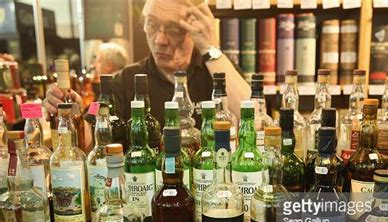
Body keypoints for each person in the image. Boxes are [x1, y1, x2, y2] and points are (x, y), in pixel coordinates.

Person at [44, 0, 250, 149]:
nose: (160, 39)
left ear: (196, 30)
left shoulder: (216, 70)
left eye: (173, 28)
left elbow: (252, 117)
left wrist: (210, 48)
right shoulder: (123, 80)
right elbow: (91, 143)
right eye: (152, 24)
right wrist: (75, 117)